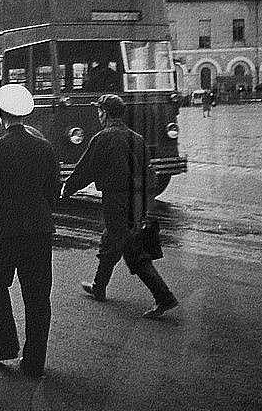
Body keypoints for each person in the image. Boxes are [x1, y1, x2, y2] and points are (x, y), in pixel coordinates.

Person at [0, 84, 60, 379]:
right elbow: (53, 192)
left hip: (3, 230)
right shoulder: (45, 147)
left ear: (1, 114)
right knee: (37, 295)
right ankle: (34, 362)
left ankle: (5, 345)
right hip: (38, 229)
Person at [61, 94, 178, 318]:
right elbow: (151, 176)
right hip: (137, 200)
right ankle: (99, 286)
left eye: (99, 111)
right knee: (113, 240)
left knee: (129, 248)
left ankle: (164, 297)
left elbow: (86, 169)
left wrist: (67, 189)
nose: (98, 115)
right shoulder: (137, 138)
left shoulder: (103, 138)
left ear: (105, 113)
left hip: (115, 199)